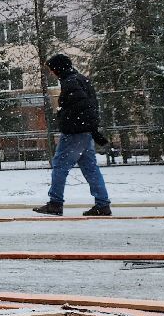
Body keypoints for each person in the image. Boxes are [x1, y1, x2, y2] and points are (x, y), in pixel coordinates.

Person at [34, 53, 112, 216]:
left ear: (58, 69)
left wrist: (63, 115)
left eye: (52, 69)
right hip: (85, 133)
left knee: (59, 166)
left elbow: (82, 106)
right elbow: (90, 106)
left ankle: (55, 203)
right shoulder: (80, 79)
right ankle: (103, 204)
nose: (51, 73)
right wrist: (92, 129)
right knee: (90, 168)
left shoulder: (70, 82)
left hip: (75, 133)